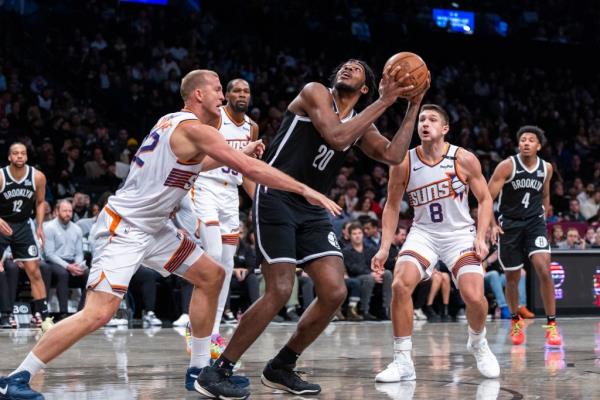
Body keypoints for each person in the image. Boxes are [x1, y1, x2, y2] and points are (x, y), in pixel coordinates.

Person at [0, 69, 341, 400]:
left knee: (211, 275)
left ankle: (198, 371)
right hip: (126, 227)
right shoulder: (196, 129)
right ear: (198, 94)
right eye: (218, 88)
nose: (223, 95)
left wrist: (240, 152)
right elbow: (250, 171)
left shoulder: (172, 123)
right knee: (99, 313)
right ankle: (18, 376)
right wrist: (305, 190)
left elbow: (193, 163)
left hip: (155, 228)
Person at [199, 58, 428, 397]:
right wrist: (386, 100)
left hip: (313, 207)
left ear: (366, 87)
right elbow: (336, 137)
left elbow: (394, 155)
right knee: (279, 289)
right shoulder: (315, 92)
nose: (348, 68)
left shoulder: (362, 123)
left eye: (357, 68)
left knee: (335, 291)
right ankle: (218, 371)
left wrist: (414, 103)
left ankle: (282, 365)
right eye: (344, 66)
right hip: (276, 195)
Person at [372, 104, 500, 382]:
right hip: (424, 233)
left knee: (474, 296)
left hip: (459, 234)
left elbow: (486, 198)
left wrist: (480, 236)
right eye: (421, 119)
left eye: (432, 119)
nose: (424, 123)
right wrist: (384, 247)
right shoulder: (404, 162)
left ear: (444, 129)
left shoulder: (463, 158)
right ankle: (402, 360)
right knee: (399, 284)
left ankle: (478, 342)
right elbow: (392, 206)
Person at [188, 78, 259, 354]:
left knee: (227, 266)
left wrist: (259, 202)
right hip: (205, 186)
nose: (242, 94)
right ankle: (194, 324)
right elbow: (198, 159)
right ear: (227, 95)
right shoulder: (215, 120)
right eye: (236, 90)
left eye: (246, 90)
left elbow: (247, 168)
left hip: (231, 195)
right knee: (214, 255)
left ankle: (214, 330)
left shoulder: (252, 127)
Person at [487, 125, 562, 348]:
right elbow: (486, 197)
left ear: (539, 146)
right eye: (522, 140)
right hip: (509, 225)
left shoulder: (546, 168)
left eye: (531, 140)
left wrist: (544, 217)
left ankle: (551, 324)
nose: (526, 143)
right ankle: (515, 320)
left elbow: (546, 194)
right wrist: (491, 224)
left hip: (534, 224)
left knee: (544, 268)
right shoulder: (507, 166)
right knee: (512, 277)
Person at [0, 143, 51, 330]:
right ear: (9, 157)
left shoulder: (37, 177)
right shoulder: (1, 176)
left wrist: (39, 226)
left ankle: (44, 317)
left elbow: (40, 202)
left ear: (27, 157)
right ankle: (5, 314)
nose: (19, 156)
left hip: (22, 225)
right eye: (15, 153)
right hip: (2, 224)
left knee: (34, 270)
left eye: (23, 153)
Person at [41, 200, 88, 320]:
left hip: (71, 261)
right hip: (54, 261)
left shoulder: (77, 229)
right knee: (63, 274)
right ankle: (63, 313)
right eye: (65, 211)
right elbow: (49, 254)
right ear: (57, 211)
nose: (68, 213)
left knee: (88, 273)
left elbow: (79, 253)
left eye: (70, 211)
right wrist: (68, 267)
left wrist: (77, 265)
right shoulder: (49, 227)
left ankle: (82, 311)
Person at [343, 222, 391, 320]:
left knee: (387, 274)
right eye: (354, 234)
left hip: (371, 274)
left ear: (363, 234)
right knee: (368, 278)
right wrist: (371, 274)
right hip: (356, 277)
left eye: (359, 233)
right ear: (349, 236)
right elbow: (353, 267)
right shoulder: (346, 251)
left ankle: (386, 308)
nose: (357, 236)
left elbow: (377, 262)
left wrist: (378, 272)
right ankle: (364, 310)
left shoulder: (370, 248)